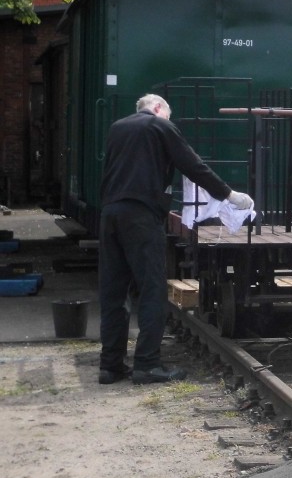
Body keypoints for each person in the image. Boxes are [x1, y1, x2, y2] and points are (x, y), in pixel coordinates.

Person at [98, 93, 253, 385]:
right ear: (158, 108)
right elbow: (192, 165)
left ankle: (110, 366)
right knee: (152, 289)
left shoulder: (118, 127)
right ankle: (147, 365)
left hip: (110, 214)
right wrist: (229, 195)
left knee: (113, 292)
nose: (170, 120)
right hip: (141, 216)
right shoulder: (160, 126)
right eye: (168, 114)